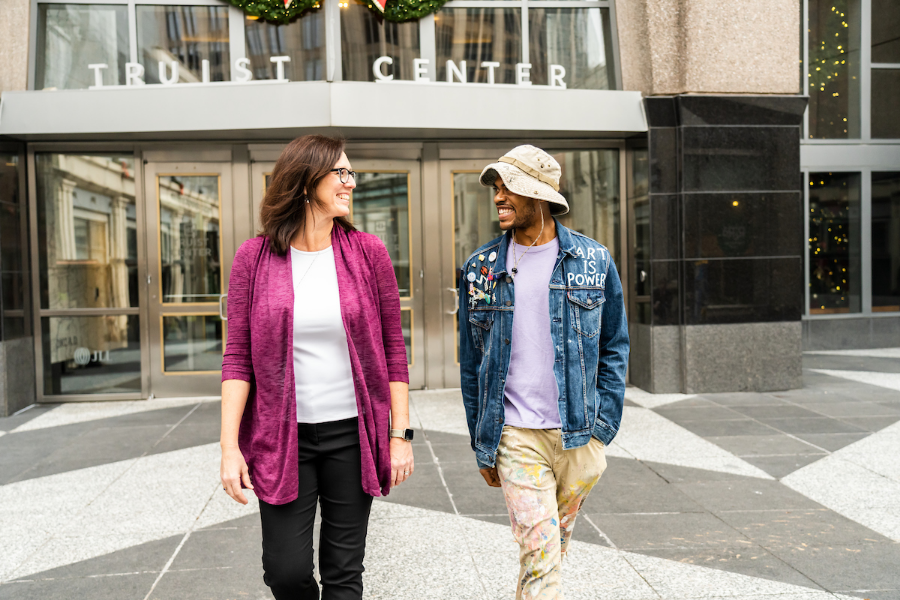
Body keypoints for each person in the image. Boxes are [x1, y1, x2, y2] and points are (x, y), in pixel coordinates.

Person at [219, 134, 414, 600]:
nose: (351, 183)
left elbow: (393, 350)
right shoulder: (255, 256)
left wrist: (399, 435)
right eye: (341, 174)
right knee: (284, 572)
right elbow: (237, 358)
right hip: (284, 437)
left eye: (351, 173)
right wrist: (229, 447)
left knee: (344, 574)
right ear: (307, 182)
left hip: (352, 434)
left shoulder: (368, 253)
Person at [458, 145, 629, 600]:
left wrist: (602, 428)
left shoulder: (594, 261)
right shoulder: (480, 269)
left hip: (579, 435)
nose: (498, 197)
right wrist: (483, 442)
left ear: (539, 196)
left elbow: (615, 347)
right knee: (539, 549)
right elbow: (472, 363)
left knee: (547, 553)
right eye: (496, 189)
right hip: (516, 435)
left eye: (508, 188)